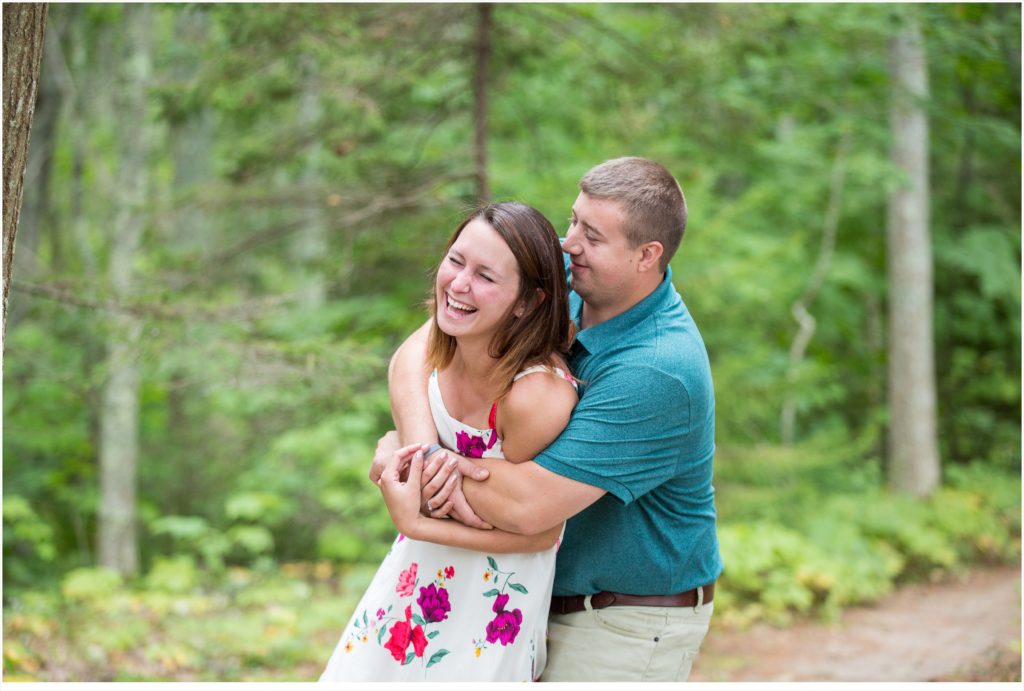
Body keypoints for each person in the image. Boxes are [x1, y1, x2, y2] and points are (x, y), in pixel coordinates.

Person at [377, 156, 723, 682]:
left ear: (646, 255)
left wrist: (411, 475)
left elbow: (528, 503)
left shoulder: (659, 369)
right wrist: (420, 449)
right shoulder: (566, 279)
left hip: (621, 619)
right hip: (528, 597)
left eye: (593, 235)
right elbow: (422, 346)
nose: (568, 243)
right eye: (573, 220)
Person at [319, 202, 579, 682]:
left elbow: (541, 533)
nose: (459, 284)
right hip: (411, 585)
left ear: (527, 301)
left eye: (486, 276)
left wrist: (415, 521)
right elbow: (406, 358)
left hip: (487, 609)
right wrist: (415, 449)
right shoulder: (446, 339)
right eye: (456, 260)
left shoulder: (534, 396)